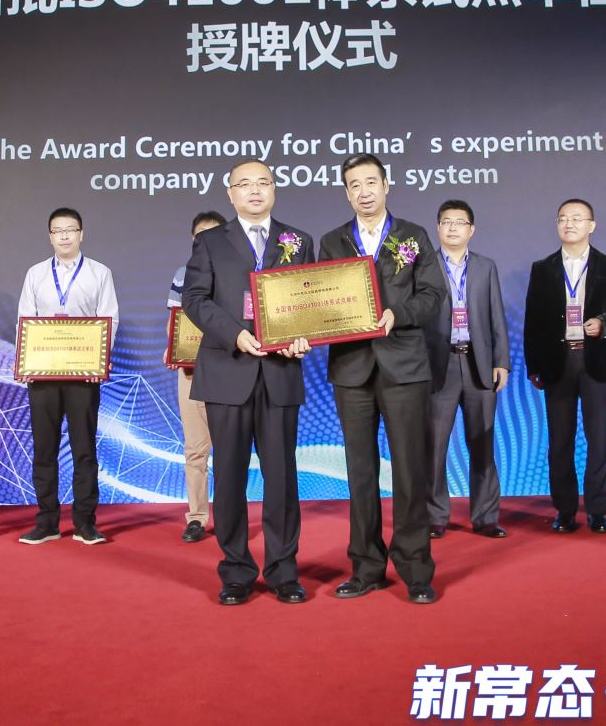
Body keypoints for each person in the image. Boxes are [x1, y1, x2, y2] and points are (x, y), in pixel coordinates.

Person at [183, 161, 314, 605]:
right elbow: (195, 299)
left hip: (280, 374)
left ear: (274, 189)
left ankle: (284, 571)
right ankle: (236, 571)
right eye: (245, 184)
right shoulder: (210, 241)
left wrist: (303, 336)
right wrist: (234, 334)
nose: (255, 191)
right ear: (230, 193)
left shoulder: (298, 240)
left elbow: (309, 299)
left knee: (282, 479)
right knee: (230, 477)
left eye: (263, 183)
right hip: (228, 370)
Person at [318, 153, 444, 604]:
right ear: (346, 193)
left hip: (404, 365)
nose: (364, 191)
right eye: (354, 185)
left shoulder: (413, 234)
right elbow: (321, 300)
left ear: (386, 185)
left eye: (371, 182)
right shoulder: (332, 241)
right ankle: (366, 567)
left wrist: (397, 314)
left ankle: (415, 568)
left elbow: (433, 294)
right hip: (351, 368)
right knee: (359, 472)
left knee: (409, 470)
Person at [524, 198, 606, 535]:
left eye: (576, 218)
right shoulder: (542, 268)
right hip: (557, 362)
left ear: (591, 225)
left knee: (599, 440)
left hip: (596, 360)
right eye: (563, 218)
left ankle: (598, 511)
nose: (569, 223)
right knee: (560, 441)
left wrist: (605, 323)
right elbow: (532, 321)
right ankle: (565, 510)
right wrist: (534, 366)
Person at [16, 207, 118, 547]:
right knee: (44, 449)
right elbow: (25, 320)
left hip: (83, 376)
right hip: (43, 375)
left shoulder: (100, 272)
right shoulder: (35, 274)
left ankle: (85, 523)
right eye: (57, 230)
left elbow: (110, 319)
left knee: (84, 449)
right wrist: (26, 365)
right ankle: (46, 522)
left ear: (81, 234)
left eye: (70, 229)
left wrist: (97, 363)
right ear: (50, 236)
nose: (64, 235)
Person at [424, 199, 510, 539]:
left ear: (471, 229)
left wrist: (501, 361)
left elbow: (496, 316)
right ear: (438, 228)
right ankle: (434, 516)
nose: (452, 228)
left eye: (459, 222)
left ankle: (486, 517)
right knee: (433, 446)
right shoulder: (424, 265)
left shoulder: (486, 267)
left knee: (483, 444)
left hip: (479, 364)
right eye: (446, 222)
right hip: (438, 366)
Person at [167, 209, 225, 544]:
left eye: (214, 234)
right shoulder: (183, 274)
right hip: (190, 369)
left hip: (230, 369)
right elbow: (175, 320)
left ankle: (231, 515)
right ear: (193, 240)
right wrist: (172, 350)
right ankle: (197, 517)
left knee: (230, 449)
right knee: (195, 449)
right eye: (201, 235)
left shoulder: (239, 272)